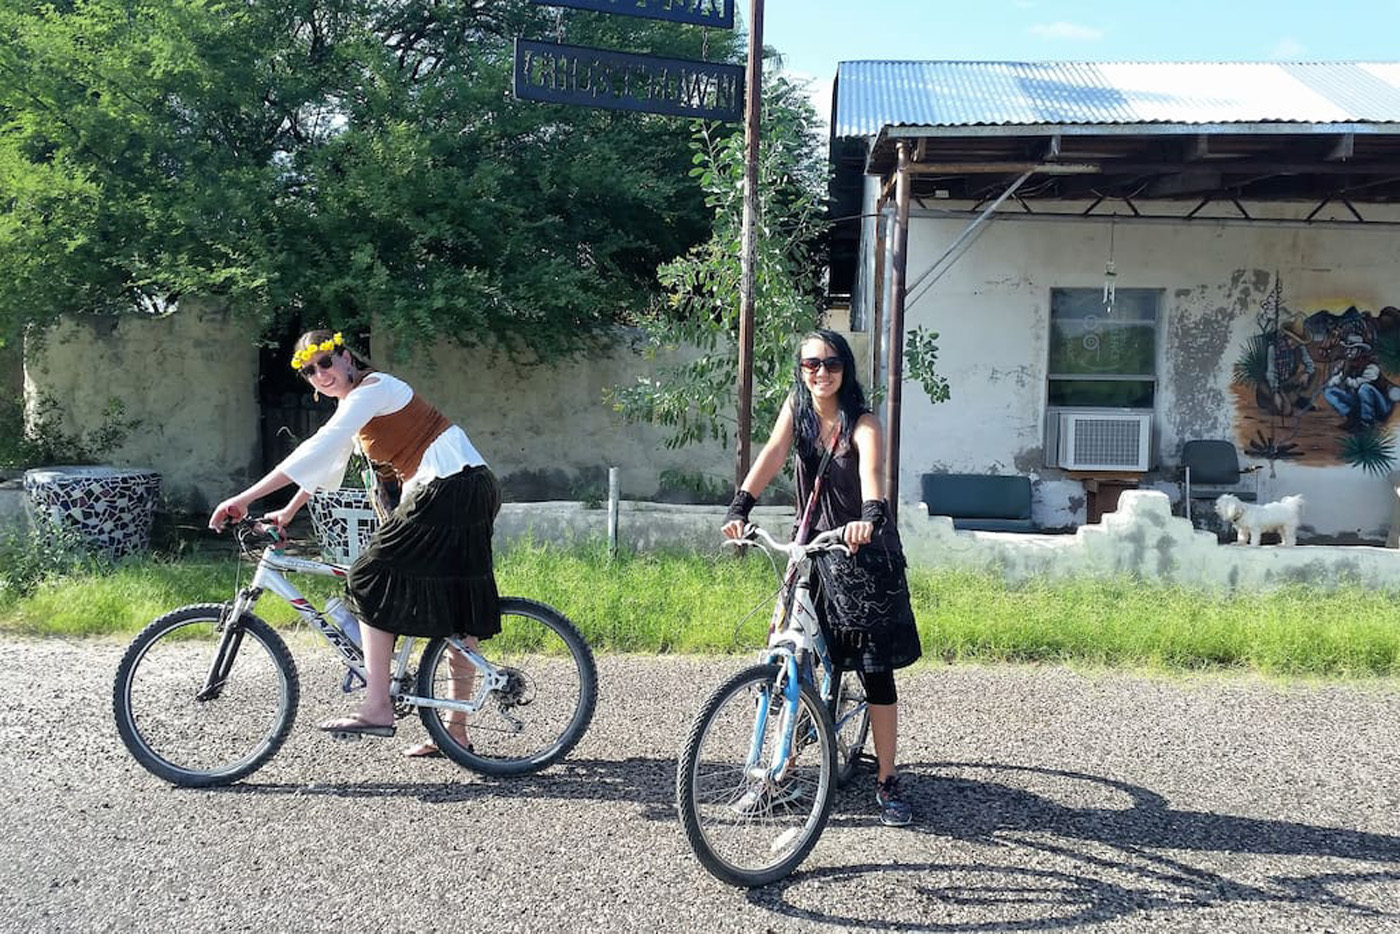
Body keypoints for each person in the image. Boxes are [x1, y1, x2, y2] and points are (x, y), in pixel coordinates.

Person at [209, 330, 497, 757]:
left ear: (346, 356)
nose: (320, 374)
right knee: (456, 609)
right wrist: (287, 512)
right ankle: (455, 731)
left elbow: (318, 445)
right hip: (467, 486)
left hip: (449, 486)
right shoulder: (356, 407)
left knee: (368, 576)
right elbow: (328, 461)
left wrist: (244, 497)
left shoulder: (376, 388)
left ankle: (378, 706)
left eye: (325, 362)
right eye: (309, 371)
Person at [721, 329, 922, 827]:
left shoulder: (864, 422)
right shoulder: (799, 409)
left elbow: (875, 476)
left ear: (845, 369)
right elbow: (771, 454)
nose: (821, 372)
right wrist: (741, 504)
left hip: (860, 549)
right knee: (790, 656)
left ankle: (888, 779)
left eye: (831, 363)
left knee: (875, 669)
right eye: (811, 364)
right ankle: (781, 770)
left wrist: (869, 517)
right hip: (810, 546)